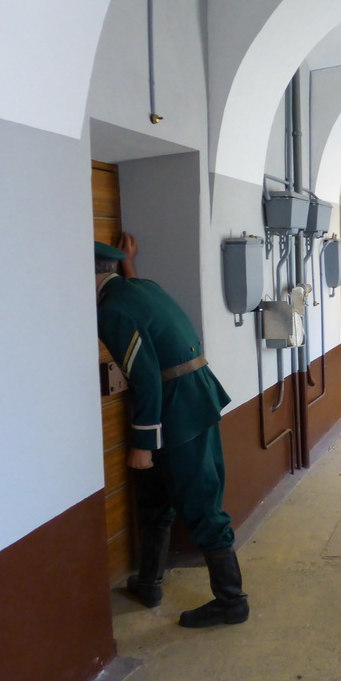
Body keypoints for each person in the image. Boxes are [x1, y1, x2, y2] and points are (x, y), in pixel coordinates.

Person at [95, 234, 248, 628]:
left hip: (177, 411)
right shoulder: (142, 288)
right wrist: (129, 262)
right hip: (194, 399)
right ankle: (148, 581)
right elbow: (144, 319)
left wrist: (144, 444)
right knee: (154, 497)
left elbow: (144, 377)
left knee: (201, 502)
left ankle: (231, 602)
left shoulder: (112, 311)